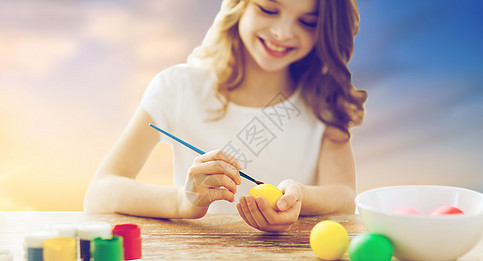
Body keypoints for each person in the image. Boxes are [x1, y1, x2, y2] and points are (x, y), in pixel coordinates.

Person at [84, 0, 367, 232]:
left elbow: (344, 196)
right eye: (268, 9)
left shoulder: (325, 100)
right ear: (239, 5)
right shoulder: (177, 88)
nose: (282, 32)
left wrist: (300, 197)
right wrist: (184, 202)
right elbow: (100, 192)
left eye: (308, 22)